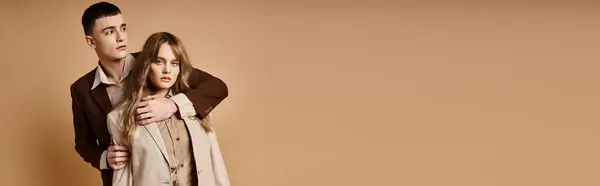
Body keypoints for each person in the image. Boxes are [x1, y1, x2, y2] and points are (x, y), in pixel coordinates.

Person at [70, 2, 228, 186]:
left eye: (123, 28)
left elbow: (217, 87)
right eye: (110, 32)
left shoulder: (155, 61)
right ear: (91, 41)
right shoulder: (81, 89)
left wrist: (173, 105)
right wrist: (104, 158)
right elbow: (83, 143)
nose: (121, 37)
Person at [108, 32, 230, 186]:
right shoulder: (120, 117)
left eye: (174, 63)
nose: (167, 70)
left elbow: (216, 163)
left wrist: (173, 104)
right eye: (159, 61)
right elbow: (123, 179)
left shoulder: (196, 107)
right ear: (147, 65)